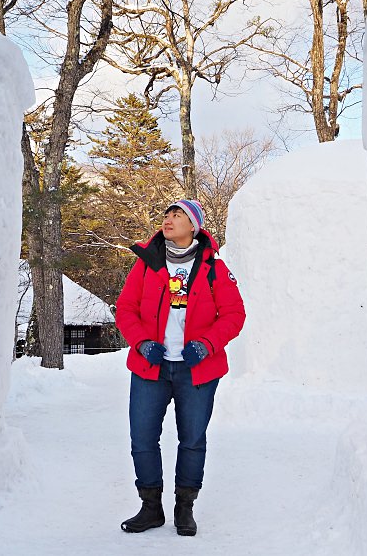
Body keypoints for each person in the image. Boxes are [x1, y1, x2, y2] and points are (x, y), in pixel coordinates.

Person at [115, 199, 246, 537]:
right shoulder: (147, 264)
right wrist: (143, 343)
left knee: (192, 440)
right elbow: (126, 308)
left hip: (197, 371)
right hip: (151, 367)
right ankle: (150, 507)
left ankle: (184, 507)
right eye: (167, 214)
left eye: (178, 215)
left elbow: (234, 315)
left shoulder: (214, 269)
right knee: (142, 438)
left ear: (195, 227)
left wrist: (206, 345)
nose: (169, 219)